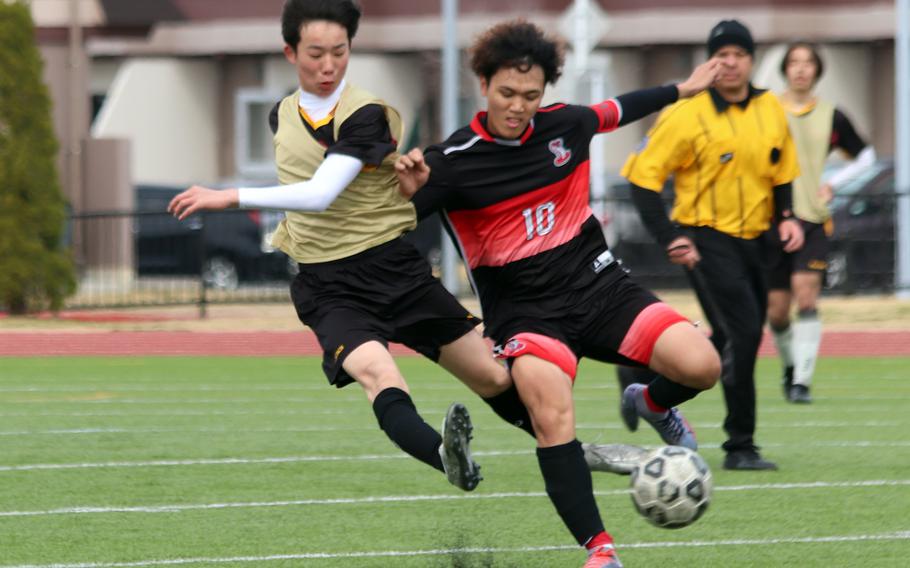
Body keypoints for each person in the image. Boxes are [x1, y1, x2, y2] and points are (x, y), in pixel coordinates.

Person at [167, 0, 641, 495]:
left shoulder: (367, 115)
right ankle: (445, 455)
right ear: (290, 52)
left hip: (392, 270)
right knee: (378, 375)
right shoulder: (280, 116)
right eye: (315, 54)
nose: (328, 66)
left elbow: (320, 193)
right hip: (327, 285)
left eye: (339, 52)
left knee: (496, 378)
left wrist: (228, 194)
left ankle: (577, 451)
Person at [396, 20, 721, 568]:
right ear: (483, 84)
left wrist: (682, 89)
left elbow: (619, 108)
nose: (518, 106)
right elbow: (388, 222)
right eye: (506, 93)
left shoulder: (567, 125)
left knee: (704, 365)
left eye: (530, 95)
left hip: (600, 287)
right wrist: (406, 196)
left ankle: (649, 401)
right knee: (551, 417)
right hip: (527, 315)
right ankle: (601, 552)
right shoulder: (450, 162)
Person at [620, 19, 805, 472]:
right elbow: (642, 179)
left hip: (757, 240)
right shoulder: (687, 111)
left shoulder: (770, 109)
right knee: (743, 335)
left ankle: (645, 380)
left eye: (738, 54)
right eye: (720, 55)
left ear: (751, 60)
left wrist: (787, 218)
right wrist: (671, 236)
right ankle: (740, 444)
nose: (729, 63)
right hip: (704, 239)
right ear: (710, 60)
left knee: (725, 336)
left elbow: (781, 171)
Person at [768, 41, 876, 404]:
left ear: (817, 70)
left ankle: (802, 382)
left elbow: (866, 156)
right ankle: (789, 366)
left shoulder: (832, 114)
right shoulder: (767, 109)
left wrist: (834, 183)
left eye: (808, 63)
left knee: (806, 295)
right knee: (777, 311)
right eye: (794, 62)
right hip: (770, 220)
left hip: (812, 217)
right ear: (785, 69)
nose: (800, 69)